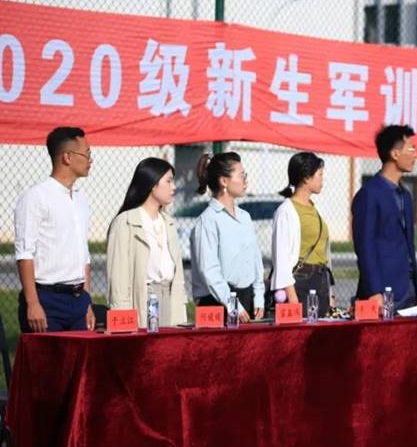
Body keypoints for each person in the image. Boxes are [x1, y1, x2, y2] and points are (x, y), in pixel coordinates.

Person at [14, 126, 95, 332]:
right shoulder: (35, 197)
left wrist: (87, 301)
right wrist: (33, 303)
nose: (90, 160)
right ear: (67, 157)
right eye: (87, 154)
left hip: (79, 301)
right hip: (47, 300)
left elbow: (84, 255)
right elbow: (25, 253)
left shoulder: (81, 199)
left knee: (81, 354)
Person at [106, 157, 188, 328]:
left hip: (170, 299)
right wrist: (123, 321)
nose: (174, 187)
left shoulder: (169, 223)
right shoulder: (125, 222)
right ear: (152, 184)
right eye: (169, 181)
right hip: (143, 300)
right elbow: (118, 280)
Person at [352, 125, 417, 312]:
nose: (415, 156)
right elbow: (365, 246)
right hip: (382, 294)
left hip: (408, 292)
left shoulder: (406, 195)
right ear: (395, 154)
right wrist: (374, 291)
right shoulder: (369, 194)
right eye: (411, 149)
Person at [191, 152, 265, 322]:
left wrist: (259, 296)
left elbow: (256, 260)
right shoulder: (207, 220)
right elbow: (209, 271)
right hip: (218, 302)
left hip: (247, 299)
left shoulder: (245, 217)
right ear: (224, 181)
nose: (245, 180)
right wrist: (232, 304)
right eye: (241, 175)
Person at [271, 152, 334, 317]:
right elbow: (281, 259)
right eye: (320, 175)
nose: (322, 179)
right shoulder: (286, 211)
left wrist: (330, 293)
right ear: (306, 178)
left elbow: (323, 254)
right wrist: (293, 299)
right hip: (301, 284)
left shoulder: (315, 208)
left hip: (320, 282)